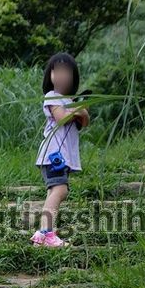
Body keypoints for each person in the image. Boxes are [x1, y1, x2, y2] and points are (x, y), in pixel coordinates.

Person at [31, 52, 89, 247]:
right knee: (60, 190)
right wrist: (78, 110)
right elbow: (61, 117)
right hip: (54, 155)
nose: (63, 76)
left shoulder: (70, 100)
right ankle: (46, 233)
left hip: (61, 156)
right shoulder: (52, 96)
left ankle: (42, 237)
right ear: (51, 75)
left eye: (68, 72)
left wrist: (79, 110)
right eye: (59, 71)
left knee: (53, 192)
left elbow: (85, 120)